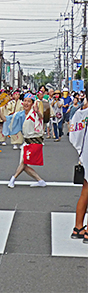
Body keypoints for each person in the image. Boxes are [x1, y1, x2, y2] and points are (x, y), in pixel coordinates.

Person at [0, 93, 47, 188]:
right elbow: (6, 119)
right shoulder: (20, 114)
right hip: (27, 142)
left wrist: (37, 112)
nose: (26, 103)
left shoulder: (35, 113)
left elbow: (41, 117)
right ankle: (40, 181)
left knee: (23, 162)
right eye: (25, 101)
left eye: (29, 101)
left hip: (35, 141)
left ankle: (13, 178)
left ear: (32, 103)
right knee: (23, 165)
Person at [68, 98, 88, 243]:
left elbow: (73, 137)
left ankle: (78, 227)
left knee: (85, 191)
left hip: (85, 156)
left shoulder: (79, 114)